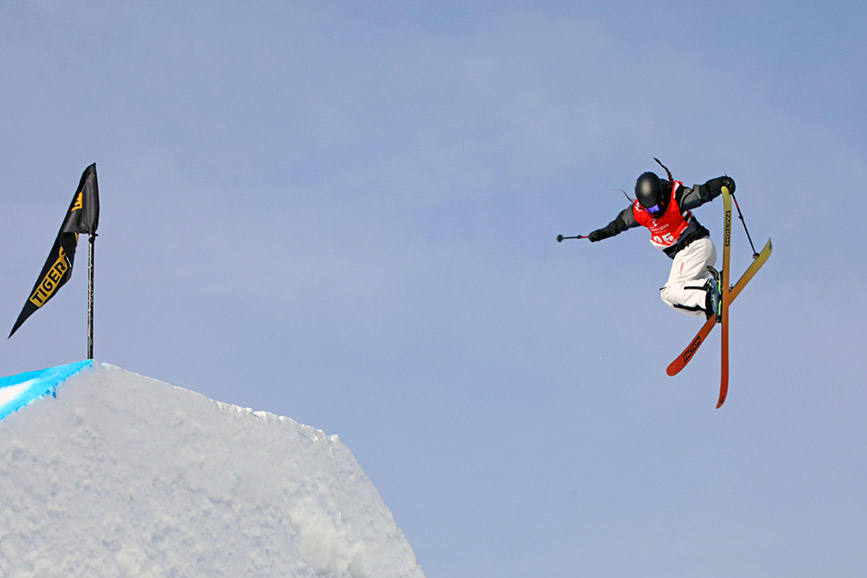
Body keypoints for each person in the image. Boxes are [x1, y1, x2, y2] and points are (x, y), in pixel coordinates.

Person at [587, 164, 735, 320]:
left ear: (662, 196)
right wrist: (602, 233)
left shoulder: (675, 198)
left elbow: (701, 193)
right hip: (689, 256)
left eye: (657, 205)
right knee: (667, 296)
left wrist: (721, 183)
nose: (655, 211)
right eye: (650, 209)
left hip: (695, 246)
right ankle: (709, 306)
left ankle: (710, 292)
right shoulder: (639, 213)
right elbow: (620, 224)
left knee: (672, 290)